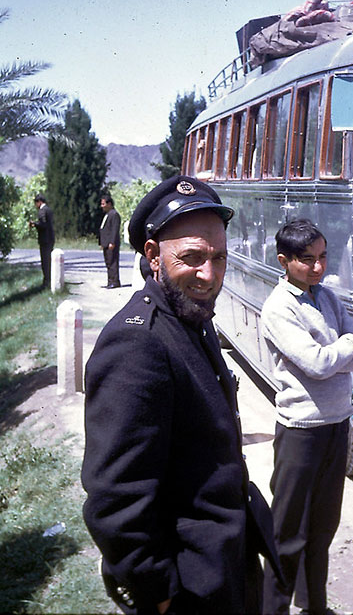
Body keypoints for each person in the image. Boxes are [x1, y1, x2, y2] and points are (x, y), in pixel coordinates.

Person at [82, 175, 279, 614]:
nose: (209, 275)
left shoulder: (189, 318)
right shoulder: (138, 344)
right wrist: (162, 595)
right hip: (188, 588)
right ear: (153, 255)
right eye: (192, 258)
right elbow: (117, 498)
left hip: (222, 565)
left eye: (220, 259)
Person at [260, 218, 353, 615]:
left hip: (337, 423)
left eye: (323, 257)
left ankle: (314, 606)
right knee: (288, 532)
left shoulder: (328, 298)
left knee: (323, 528)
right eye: (307, 260)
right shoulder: (279, 308)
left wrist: (338, 352)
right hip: (301, 431)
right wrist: (345, 346)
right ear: (284, 261)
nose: (318, 267)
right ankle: (272, 608)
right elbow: (318, 363)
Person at [29, 193, 54, 288]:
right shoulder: (49, 210)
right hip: (50, 238)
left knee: (45, 261)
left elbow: (43, 224)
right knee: (49, 260)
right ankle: (49, 279)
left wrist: (34, 224)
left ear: (39, 202)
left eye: (36, 203)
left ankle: (46, 281)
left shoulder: (42, 211)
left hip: (45, 239)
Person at [99, 192, 122, 288]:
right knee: (108, 262)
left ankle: (115, 281)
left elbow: (114, 230)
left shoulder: (114, 214)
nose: (102, 206)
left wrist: (112, 242)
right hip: (106, 243)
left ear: (109, 204)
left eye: (103, 204)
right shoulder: (108, 214)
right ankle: (110, 281)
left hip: (111, 243)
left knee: (113, 262)